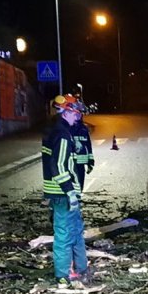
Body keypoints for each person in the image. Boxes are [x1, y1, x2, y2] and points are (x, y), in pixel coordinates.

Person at [42, 94, 88, 283]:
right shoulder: (61, 134)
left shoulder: (56, 131)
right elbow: (58, 165)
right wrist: (70, 191)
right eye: (75, 114)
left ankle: (82, 268)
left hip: (63, 193)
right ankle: (63, 275)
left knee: (76, 230)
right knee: (64, 234)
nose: (77, 118)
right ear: (67, 112)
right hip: (63, 194)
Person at [70, 99, 95, 191]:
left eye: (80, 113)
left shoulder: (84, 128)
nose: (79, 115)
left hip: (81, 164)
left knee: (79, 186)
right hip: (70, 163)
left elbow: (88, 145)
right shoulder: (67, 128)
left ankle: (78, 199)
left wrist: (90, 162)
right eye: (77, 113)